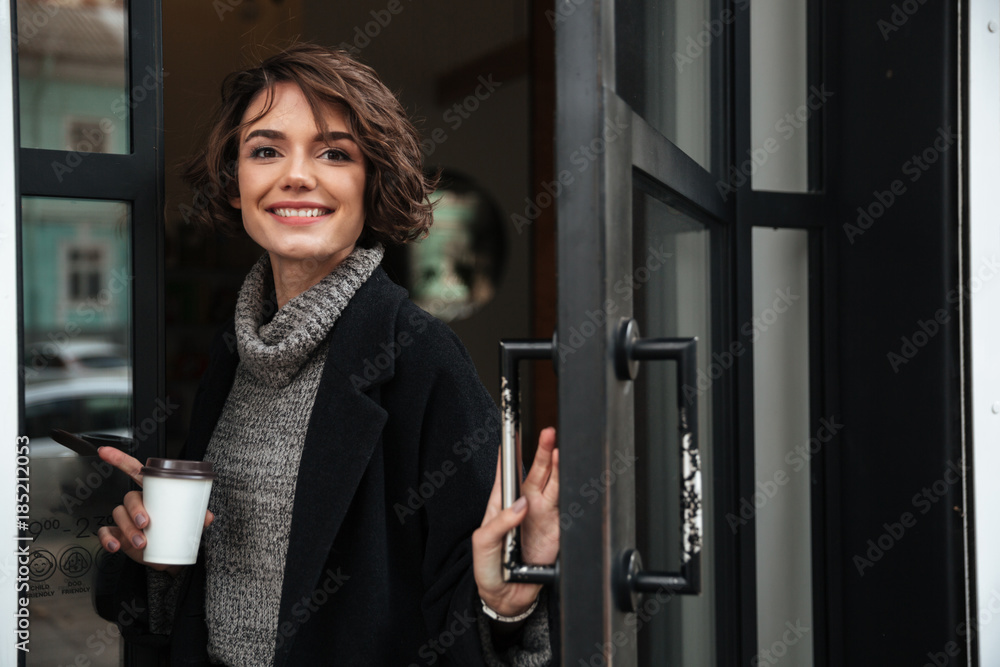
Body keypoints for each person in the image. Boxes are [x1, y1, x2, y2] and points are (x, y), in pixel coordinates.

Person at [96, 43, 560, 666]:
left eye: (335, 153)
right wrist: (148, 554)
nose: (296, 175)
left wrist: (505, 607)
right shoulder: (236, 352)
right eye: (265, 150)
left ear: (371, 185)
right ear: (236, 184)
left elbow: (470, 607)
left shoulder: (422, 359)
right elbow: (204, 596)